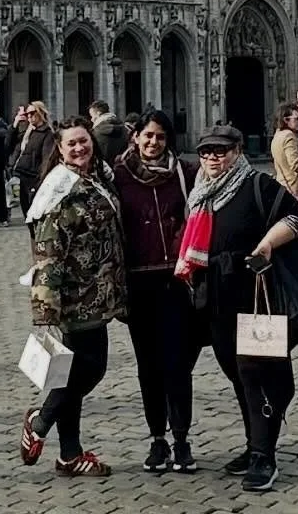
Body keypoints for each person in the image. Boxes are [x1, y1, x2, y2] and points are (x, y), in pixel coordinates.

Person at [179, 122, 298, 494]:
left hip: (255, 297)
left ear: (237, 151)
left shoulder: (256, 184)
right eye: (206, 151)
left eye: (220, 150)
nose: (211, 157)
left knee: (257, 374)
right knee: (235, 374)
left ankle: (263, 455)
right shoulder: (201, 193)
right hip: (216, 298)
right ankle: (255, 441)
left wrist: (268, 243)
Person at [19, 119, 126, 478]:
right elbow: (47, 252)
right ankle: (40, 419)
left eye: (84, 141)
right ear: (60, 150)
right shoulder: (59, 190)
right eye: (72, 144)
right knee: (89, 368)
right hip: (75, 296)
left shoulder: (96, 178)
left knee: (73, 373)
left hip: (97, 292)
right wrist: (45, 310)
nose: (79, 148)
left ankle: (69, 454)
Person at [113, 108, 200, 472]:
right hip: (139, 282)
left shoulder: (185, 173)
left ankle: (181, 438)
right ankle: (157, 439)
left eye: (160, 137)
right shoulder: (117, 176)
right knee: (148, 365)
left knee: (178, 364)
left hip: (177, 281)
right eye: (147, 135)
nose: (153, 142)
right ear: (135, 137)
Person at [11, 101, 54, 221]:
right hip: (21, 176)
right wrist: (15, 124)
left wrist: (40, 181)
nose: (28, 116)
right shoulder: (27, 133)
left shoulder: (47, 133)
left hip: (34, 179)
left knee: (35, 216)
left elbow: (47, 159)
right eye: (27, 114)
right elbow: (8, 145)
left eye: (31, 113)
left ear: (40, 113)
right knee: (27, 215)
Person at [270, 103, 298, 214]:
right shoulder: (289, 136)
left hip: (284, 185)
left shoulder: (277, 136)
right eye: (297, 118)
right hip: (296, 187)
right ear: (286, 120)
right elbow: (295, 164)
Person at [89, 99, 129, 167]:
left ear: (98, 114)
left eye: (92, 116)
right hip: (121, 168)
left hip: (103, 170)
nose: (91, 119)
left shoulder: (95, 132)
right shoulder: (124, 129)